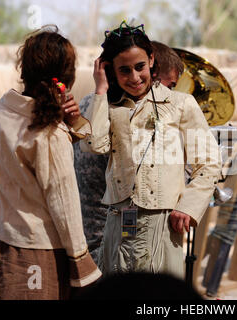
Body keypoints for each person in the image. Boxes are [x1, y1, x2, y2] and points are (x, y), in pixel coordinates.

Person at [79, 21, 221, 279]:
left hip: (164, 225)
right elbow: (93, 144)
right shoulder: (110, 107)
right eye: (124, 70)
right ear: (111, 70)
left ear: (152, 60)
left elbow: (209, 162)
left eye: (139, 67)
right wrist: (101, 89)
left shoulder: (181, 103)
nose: (134, 77)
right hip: (118, 223)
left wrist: (188, 207)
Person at [0, 26, 101, 300]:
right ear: (66, 77)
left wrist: (70, 122)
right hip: (39, 253)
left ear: (25, 69)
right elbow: (64, 204)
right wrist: (84, 266)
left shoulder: (1, 110)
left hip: (4, 243)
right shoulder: (49, 133)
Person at [73, 40, 184, 264]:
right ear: (154, 74)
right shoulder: (119, 111)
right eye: (170, 86)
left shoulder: (94, 102)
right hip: (113, 234)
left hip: (88, 230)